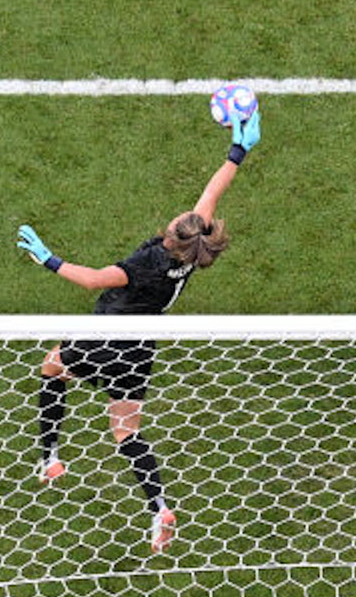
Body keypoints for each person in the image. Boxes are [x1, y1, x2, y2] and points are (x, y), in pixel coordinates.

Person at [13, 107, 261, 552]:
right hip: (139, 350)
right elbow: (210, 195)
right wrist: (237, 152)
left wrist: (47, 259)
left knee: (52, 368)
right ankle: (159, 508)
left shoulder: (148, 264)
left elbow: (92, 279)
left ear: (172, 236)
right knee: (126, 432)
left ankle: (49, 458)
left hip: (104, 339)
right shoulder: (191, 252)